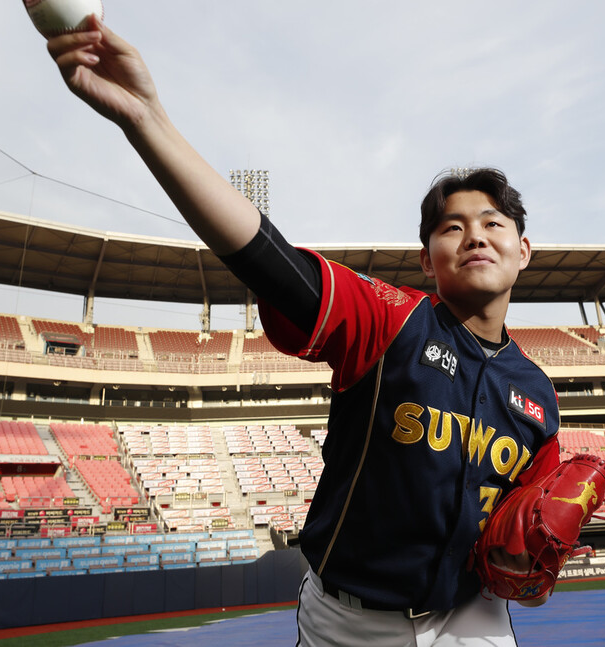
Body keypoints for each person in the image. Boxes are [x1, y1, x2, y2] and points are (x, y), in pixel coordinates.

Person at [46, 16, 561, 646]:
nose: (475, 234)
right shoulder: (389, 317)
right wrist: (146, 119)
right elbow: (269, 259)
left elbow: (529, 529)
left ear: (524, 249)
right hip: (352, 624)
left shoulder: (537, 394)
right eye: (451, 227)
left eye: (492, 222)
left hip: (472, 619)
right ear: (427, 260)